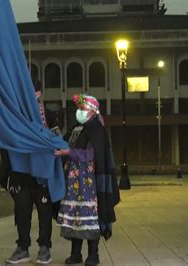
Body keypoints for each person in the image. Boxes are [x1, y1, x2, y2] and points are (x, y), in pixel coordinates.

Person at [55, 94, 120, 266]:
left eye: (82, 109)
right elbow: (64, 143)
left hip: (89, 184)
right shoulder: (77, 128)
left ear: (92, 111)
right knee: (75, 216)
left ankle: (93, 255)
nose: (79, 112)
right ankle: (75, 254)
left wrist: (68, 153)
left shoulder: (97, 129)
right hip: (73, 182)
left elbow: (90, 155)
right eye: (78, 109)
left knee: (89, 217)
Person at [3, 80, 57, 265]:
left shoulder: (48, 115)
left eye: (30, 92)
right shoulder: (16, 116)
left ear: (38, 93)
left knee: (44, 211)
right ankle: (23, 247)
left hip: (42, 175)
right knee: (22, 210)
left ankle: (44, 248)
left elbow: (55, 141)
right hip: (22, 173)